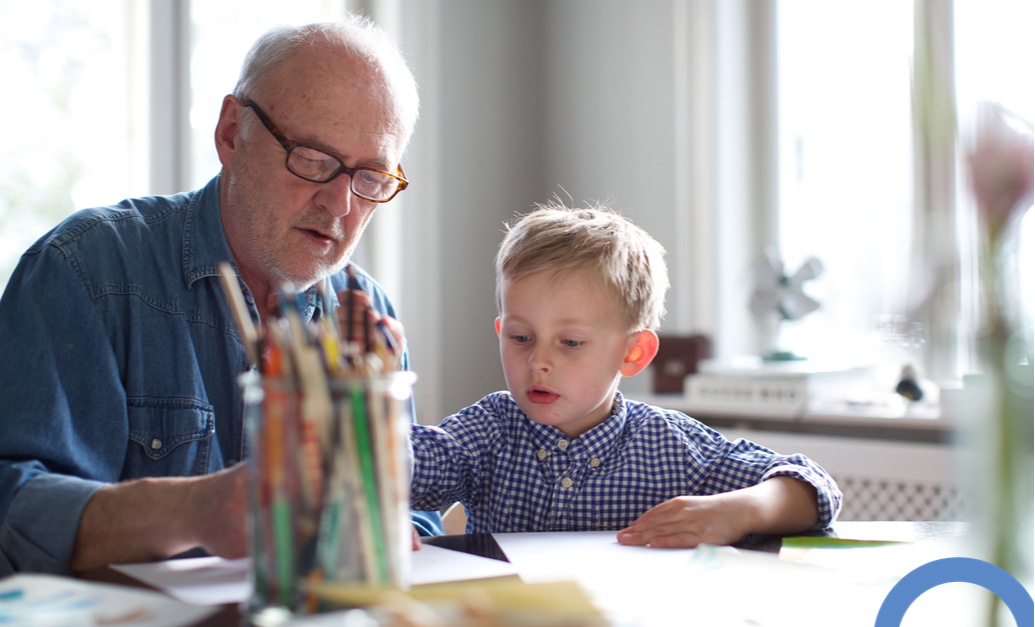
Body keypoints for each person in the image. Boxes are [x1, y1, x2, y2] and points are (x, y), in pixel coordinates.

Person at [0, 17, 441, 576]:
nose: (340, 205)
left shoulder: (365, 317)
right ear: (232, 132)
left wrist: (393, 530)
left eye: (371, 178)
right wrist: (193, 511)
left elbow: (409, 516)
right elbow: (12, 510)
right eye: (312, 159)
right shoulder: (87, 271)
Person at [408, 204, 841, 546]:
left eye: (570, 343)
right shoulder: (487, 431)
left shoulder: (671, 446)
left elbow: (814, 489)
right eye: (521, 337)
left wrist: (739, 511)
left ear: (634, 352)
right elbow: (405, 465)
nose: (538, 361)